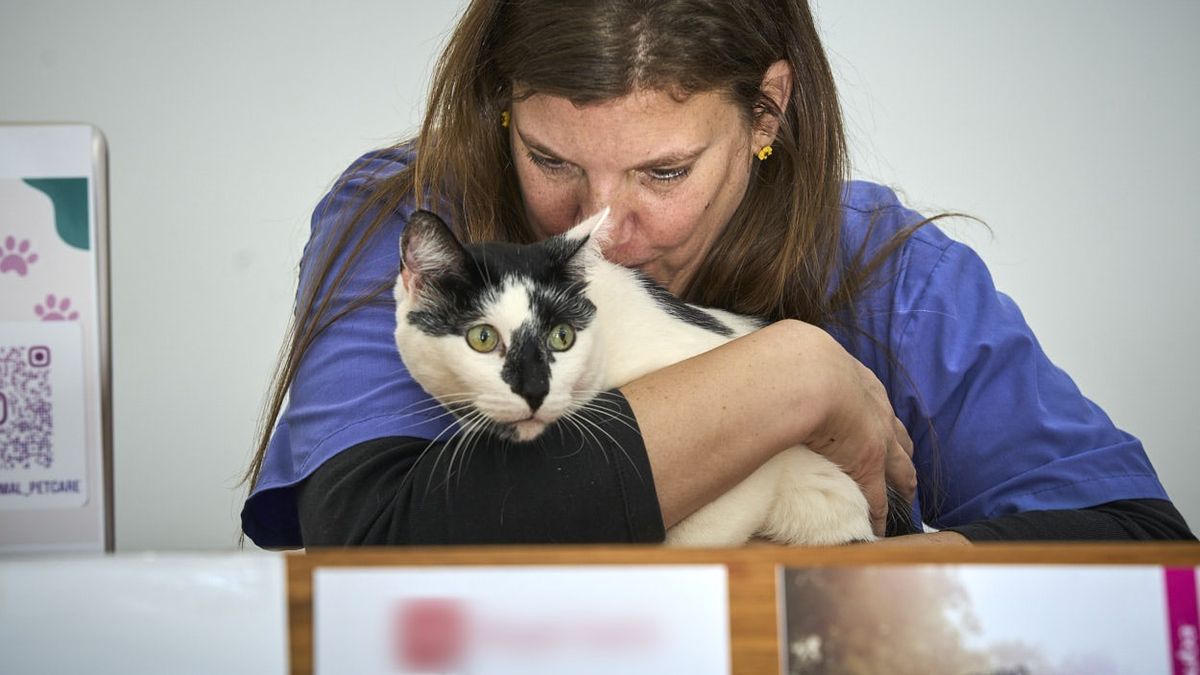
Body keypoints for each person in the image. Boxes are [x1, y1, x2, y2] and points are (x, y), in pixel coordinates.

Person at [240, 0, 1193, 549]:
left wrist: (875, 594)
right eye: (550, 159)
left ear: (766, 114)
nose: (600, 234)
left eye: (665, 173)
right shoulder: (405, 216)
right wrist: (786, 378)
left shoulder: (891, 273)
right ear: (502, 109)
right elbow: (367, 543)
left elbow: (1148, 556)